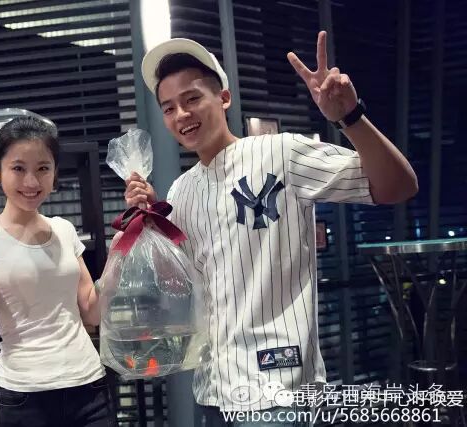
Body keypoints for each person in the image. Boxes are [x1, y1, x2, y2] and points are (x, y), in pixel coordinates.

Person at [123, 32, 418, 426]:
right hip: (212, 390)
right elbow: (180, 287)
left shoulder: (280, 152)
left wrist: (350, 117)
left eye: (192, 99)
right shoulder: (181, 191)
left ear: (223, 97)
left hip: (279, 391)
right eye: (169, 108)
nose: (181, 115)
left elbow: (399, 186)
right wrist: (150, 222)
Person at [0, 116, 115, 427]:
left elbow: (92, 312)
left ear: (54, 172)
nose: (31, 182)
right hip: (23, 396)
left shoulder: (64, 230)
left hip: (89, 387)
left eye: (42, 168)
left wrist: (118, 259)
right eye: (18, 168)